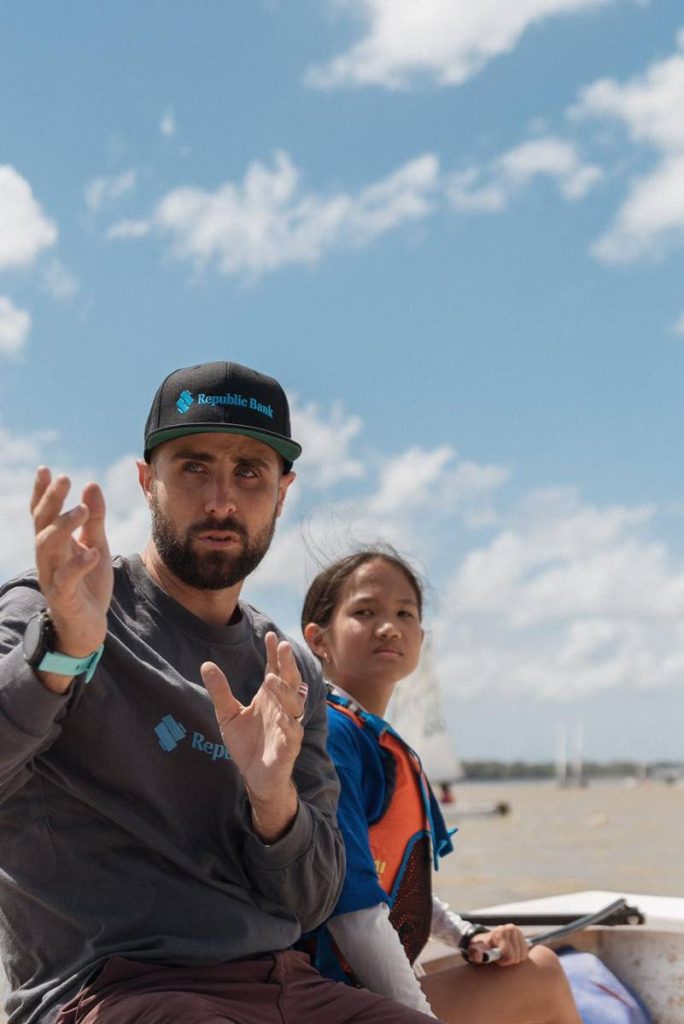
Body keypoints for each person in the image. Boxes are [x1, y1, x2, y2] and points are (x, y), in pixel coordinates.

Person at [0, 362, 439, 1024]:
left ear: (283, 493)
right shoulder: (57, 609)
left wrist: (274, 801)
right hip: (109, 989)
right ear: (147, 481)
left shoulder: (289, 673)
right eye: (194, 468)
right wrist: (62, 654)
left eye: (250, 474)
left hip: (285, 986)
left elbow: (312, 898)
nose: (221, 501)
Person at [301, 548, 582, 1024]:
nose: (388, 626)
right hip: (322, 1000)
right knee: (542, 974)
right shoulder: (334, 735)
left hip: (349, 990)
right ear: (318, 639)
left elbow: (391, 881)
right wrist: (418, 1016)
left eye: (404, 614)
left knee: (529, 967)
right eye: (365, 611)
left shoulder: (368, 734)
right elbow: (351, 907)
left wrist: (469, 936)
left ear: (420, 637)